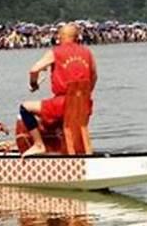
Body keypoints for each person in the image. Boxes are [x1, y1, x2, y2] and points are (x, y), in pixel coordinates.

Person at [19, 23, 97, 157]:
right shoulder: (87, 52)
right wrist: (84, 94)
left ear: (60, 37)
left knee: (24, 108)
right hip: (84, 105)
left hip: (62, 104)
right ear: (77, 37)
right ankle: (75, 150)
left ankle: (39, 145)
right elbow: (94, 76)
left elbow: (33, 70)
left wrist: (33, 84)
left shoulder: (55, 52)